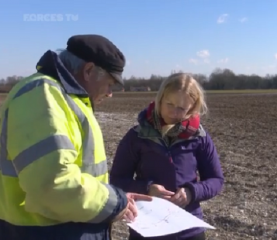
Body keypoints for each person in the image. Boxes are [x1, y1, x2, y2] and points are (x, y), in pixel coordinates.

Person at [0, 34, 152, 240]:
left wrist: (118, 199)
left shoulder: (65, 98)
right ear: (88, 70)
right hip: (44, 232)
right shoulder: (43, 95)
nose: (110, 93)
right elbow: (53, 184)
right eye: (109, 84)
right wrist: (115, 202)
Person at [109, 73, 225, 240]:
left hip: (188, 229)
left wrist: (192, 192)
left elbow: (216, 180)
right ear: (159, 99)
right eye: (169, 104)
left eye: (182, 108)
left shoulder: (200, 137)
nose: (173, 112)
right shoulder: (136, 136)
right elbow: (117, 180)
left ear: (192, 108)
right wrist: (147, 189)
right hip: (146, 228)